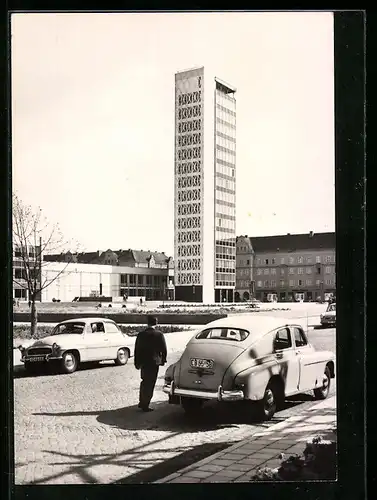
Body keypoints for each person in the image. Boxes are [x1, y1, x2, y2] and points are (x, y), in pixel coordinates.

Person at [134, 315, 167, 412]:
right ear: (156, 323)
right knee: (151, 383)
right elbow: (164, 349)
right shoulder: (159, 335)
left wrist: (137, 363)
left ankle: (142, 401)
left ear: (147, 323)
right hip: (154, 363)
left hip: (144, 363)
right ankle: (145, 404)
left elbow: (137, 350)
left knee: (144, 381)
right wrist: (163, 360)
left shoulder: (141, 335)